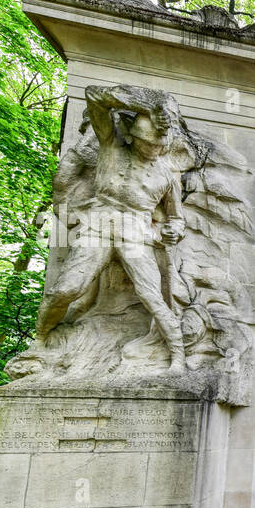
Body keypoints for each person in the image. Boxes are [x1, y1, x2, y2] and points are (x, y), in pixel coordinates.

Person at [38, 85, 188, 371]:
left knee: (153, 298)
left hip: (135, 234)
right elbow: (94, 95)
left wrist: (173, 230)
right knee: (66, 290)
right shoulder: (111, 147)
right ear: (133, 136)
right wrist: (148, 104)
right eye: (148, 143)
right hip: (97, 228)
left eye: (159, 145)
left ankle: (178, 359)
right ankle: (40, 341)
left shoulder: (166, 176)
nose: (154, 149)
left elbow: (176, 218)